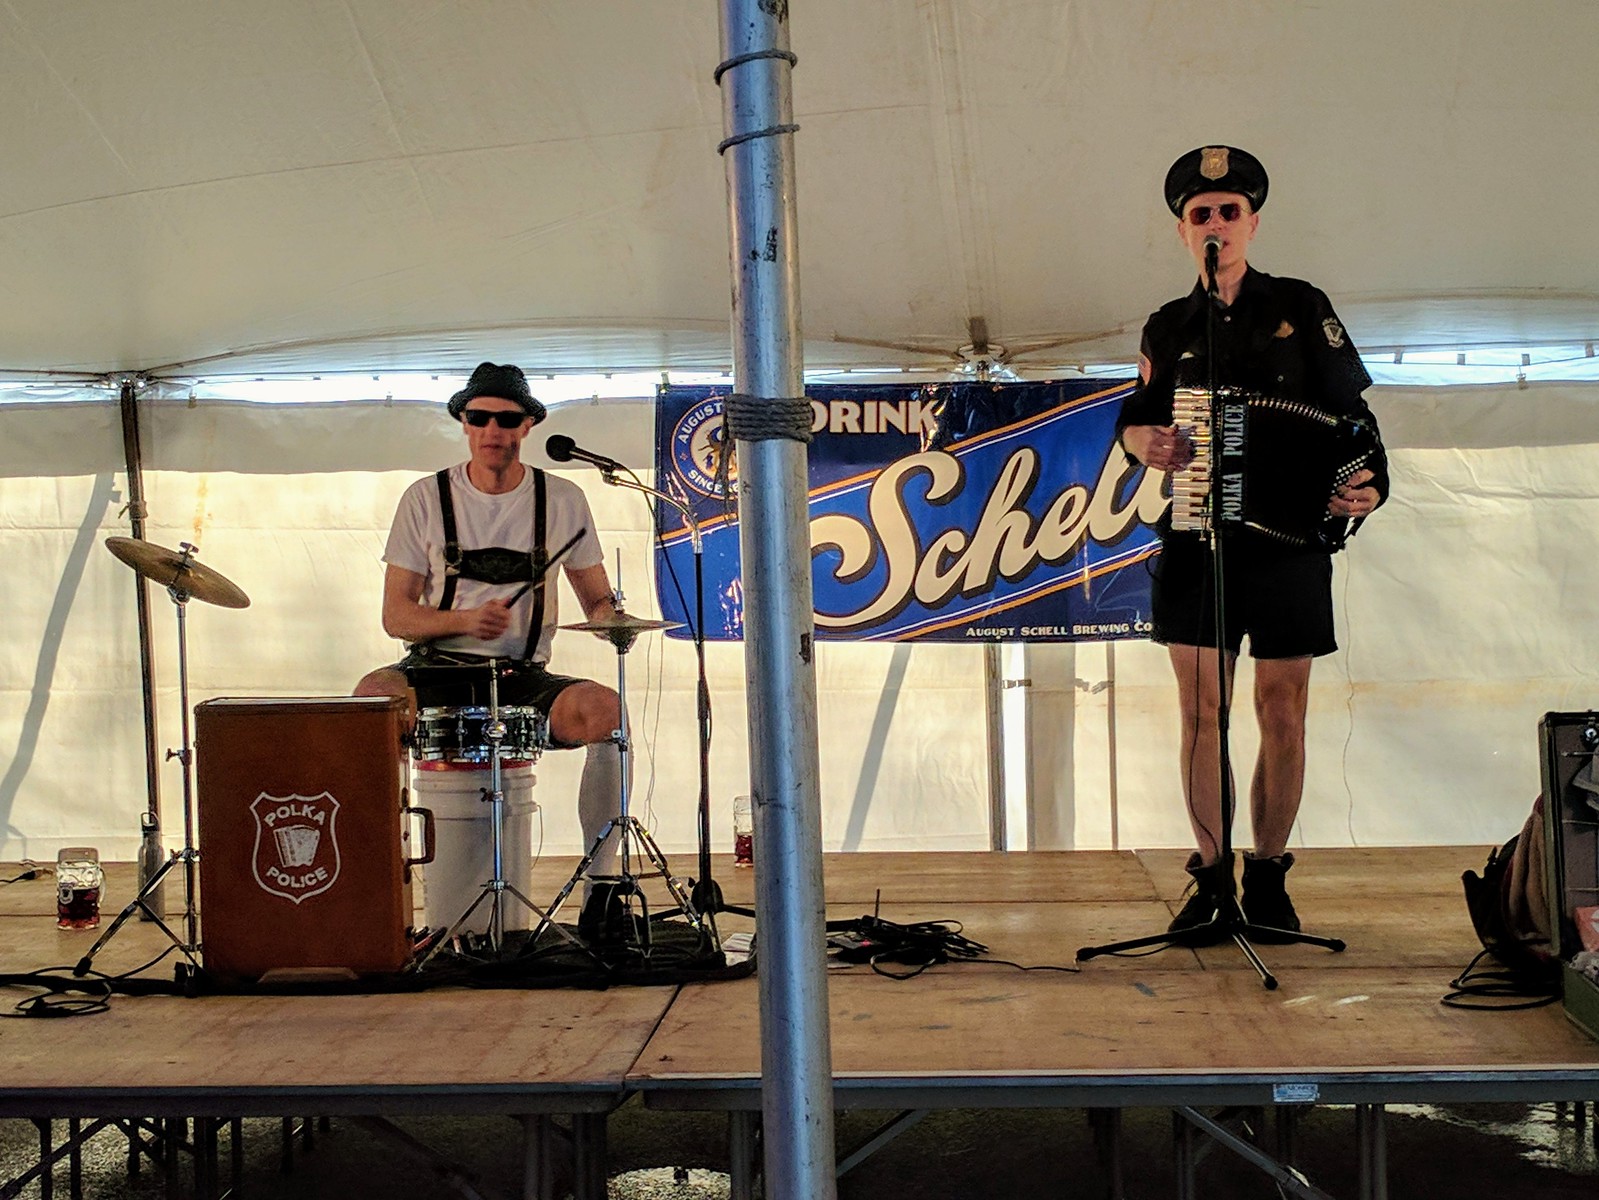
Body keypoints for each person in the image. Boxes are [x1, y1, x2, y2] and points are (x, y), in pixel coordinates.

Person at [1116, 146, 1389, 944]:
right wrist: (1141, 442)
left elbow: (1352, 420)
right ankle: (1210, 875)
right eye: (1200, 214)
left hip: (1289, 540)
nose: (1215, 223)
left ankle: (1267, 874)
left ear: (1252, 223)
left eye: (1228, 211)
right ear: (1182, 231)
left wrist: (1370, 483)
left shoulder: (1300, 306)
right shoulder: (1168, 325)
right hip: (1197, 538)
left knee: (1282, 709)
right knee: (1201, 712)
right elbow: (1135, 418)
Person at [355, 361, 628, 905]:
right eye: (479, 418)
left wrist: (613, 621)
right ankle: (377, 876)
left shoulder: (563, 500)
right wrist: (463, 621)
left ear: (528, 425)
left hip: (522, 677)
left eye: (506, 419)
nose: (492, 431)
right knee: (370, 700)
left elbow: (596, 600)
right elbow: (396, 616)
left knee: (606, 713)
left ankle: (600, 887)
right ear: (464, 422)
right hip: (435, 671)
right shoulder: (426, 497)